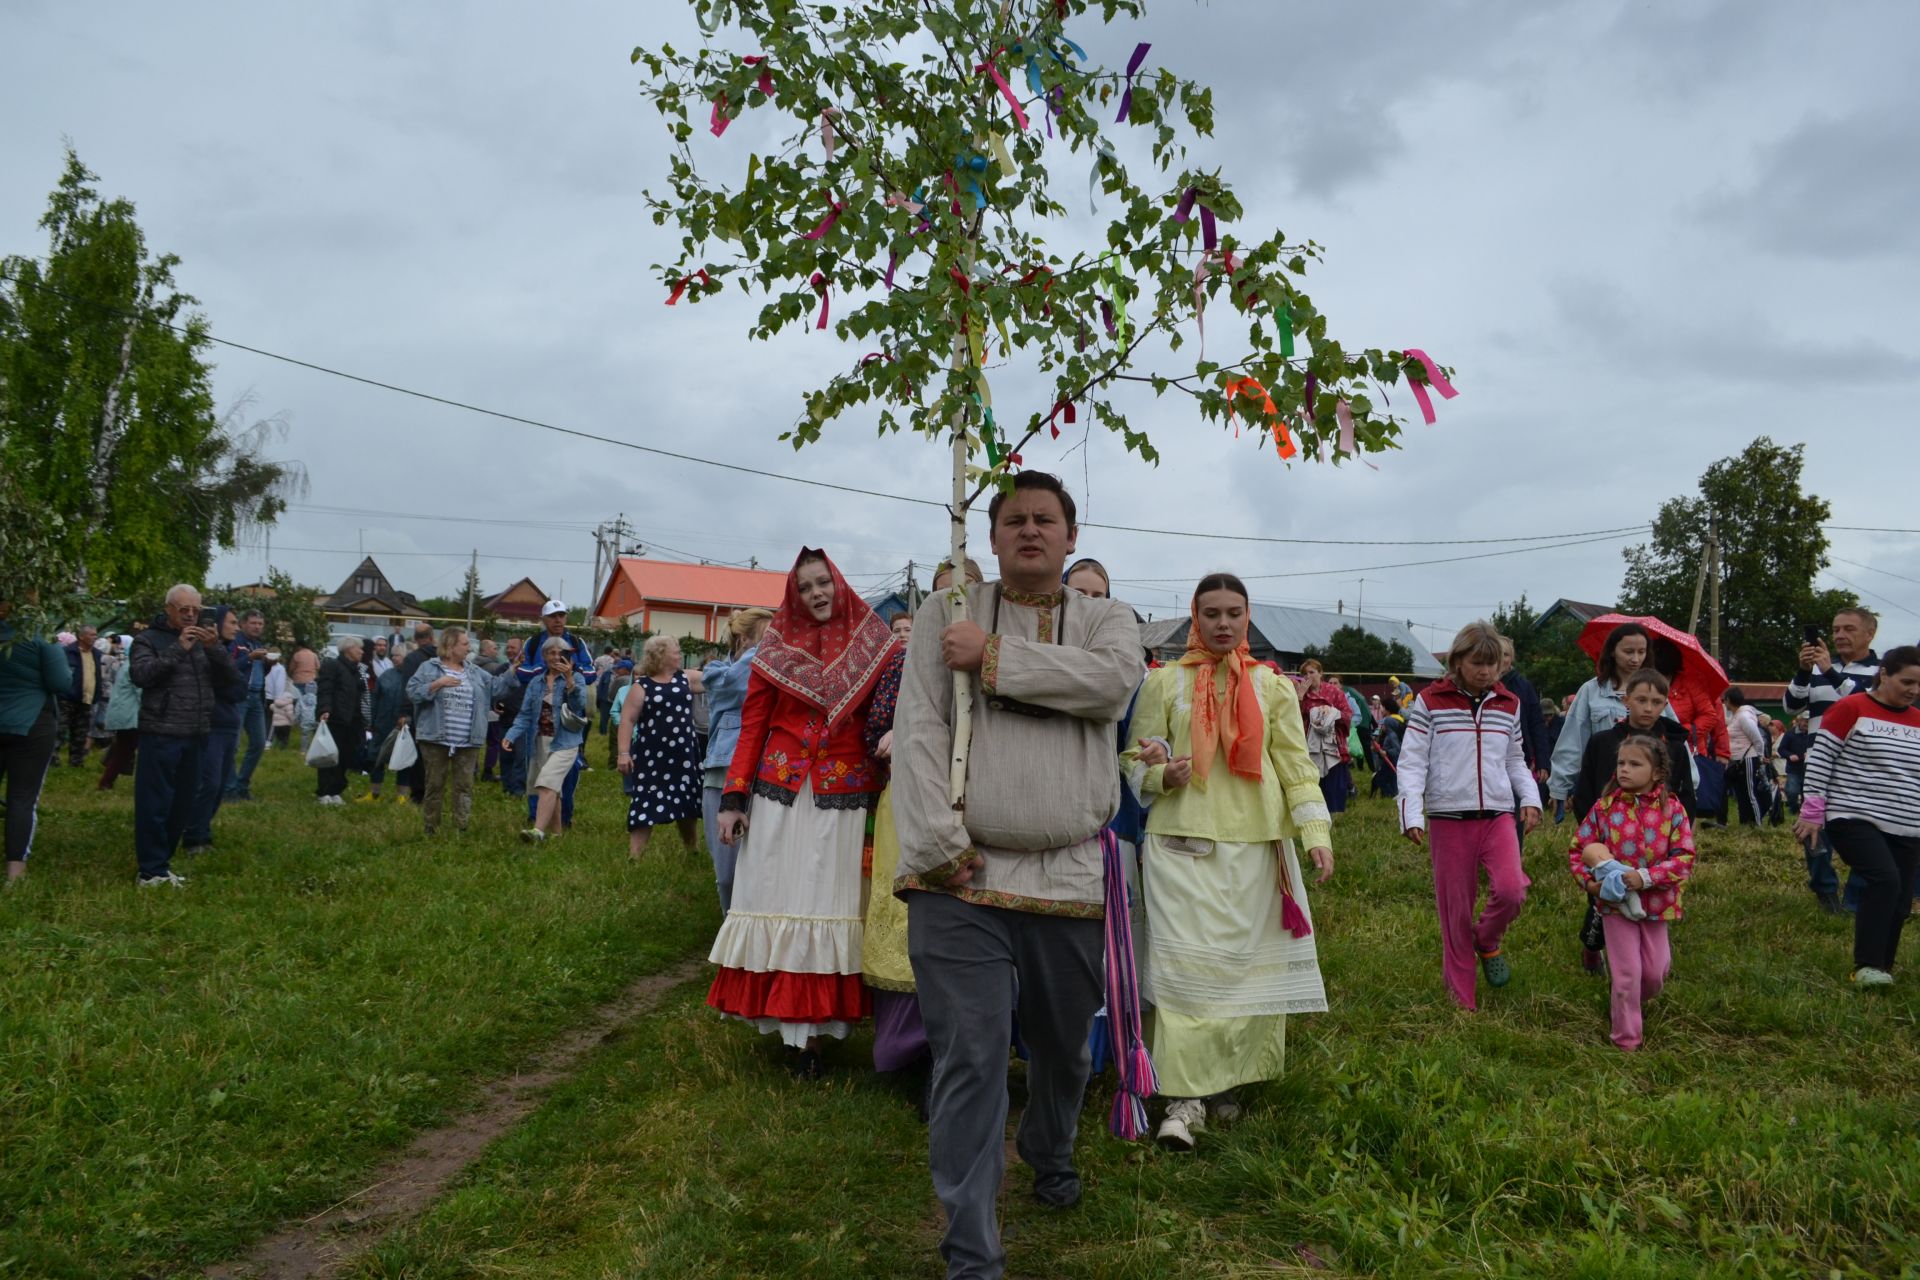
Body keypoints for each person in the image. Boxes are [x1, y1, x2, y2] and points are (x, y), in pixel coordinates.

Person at [892, 472, 1142, 1277]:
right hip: (961, 878)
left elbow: (1109, 685)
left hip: (1068, 875)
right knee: (971, 1055)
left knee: (1065, 1052)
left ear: (1071, 536)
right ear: (990, 538)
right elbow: (921, 728)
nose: (1029, 530)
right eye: (1013, 520)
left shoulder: (1106, 618)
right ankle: (972, 1248)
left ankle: (1049, 1144)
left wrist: (995, 658)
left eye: (1045, 520)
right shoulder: (948, 612)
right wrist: (935, 843)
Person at [1122, 572, 1331, 1150]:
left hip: (1258, 847)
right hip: (1178, 843)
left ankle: (1225, 1080)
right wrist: (1161, 771)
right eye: (1210, 612)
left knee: (1240, 972)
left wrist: (1315, 832)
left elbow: (1295, 764)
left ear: (1247, 617)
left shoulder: (1273, 687)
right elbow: (1132, 757)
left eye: (1233, 613)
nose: (1222, 623)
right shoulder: (1164, 683)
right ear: (1195, 616)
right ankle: (1182, 1100)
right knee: (1189, 973)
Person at [708, 549, 895, 1076]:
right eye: (806, 586)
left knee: (829, 903)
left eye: (823, 583)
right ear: (793, 593)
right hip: (779, 795)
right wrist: (733, 799)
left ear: (838, 584)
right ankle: (796, 1038)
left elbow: (889, 709)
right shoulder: (774, 649)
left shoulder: (873, 643)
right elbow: (753, 726)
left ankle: (818, 1031)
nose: (816, 593)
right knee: (781, 897)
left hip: (845, 795)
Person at [863, 561, 982, 1079]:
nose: (950, 604)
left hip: (980, 806)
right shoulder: (903, 661)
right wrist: (884, 740)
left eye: (963, 594)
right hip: (908, 806)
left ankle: (961, 1053)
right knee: (912, 917)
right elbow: (874, 725)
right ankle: (910, 1053)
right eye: (940, 595)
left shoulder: (995, 658)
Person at [1396, 621, 1542, 1009]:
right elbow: (1411, 761)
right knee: (1455, 911)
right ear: (1457, 661)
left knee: (1512, 890)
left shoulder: (1509, 703)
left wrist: (1530, 798)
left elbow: (1514, 758)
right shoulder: (1431, 701)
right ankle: (1463, 1002)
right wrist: (1412, 813)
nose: (1486, 671)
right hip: (1448, 817)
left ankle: (1487, 939)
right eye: (1477, 662)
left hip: (1498, 814)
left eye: (1493, 664)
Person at [1796, 646, 1920, 987]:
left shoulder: (1918, 719)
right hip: (1853, 815)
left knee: (1900, 899)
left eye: (1919, 685)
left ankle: (1882, 965)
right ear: (1884, 674)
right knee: (1884, 879)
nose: (1914, 690)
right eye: (1906, 681)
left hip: (1908, 823)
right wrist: (1812, 813)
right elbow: (1821, 759)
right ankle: (1865, 965)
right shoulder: (1851, 708)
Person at [1568, 735, 1695, 1050]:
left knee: (1654, 973)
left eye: (1634, 764)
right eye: (1621, 763)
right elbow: (1579, 849)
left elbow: (1684, 858)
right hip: (1614, 907)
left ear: (1656, 773)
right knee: (1627, 976)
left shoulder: (1673, 810)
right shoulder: (1604, 808)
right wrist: (1591, 884)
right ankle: (1626, 1040)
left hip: (1658, 905)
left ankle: (1632, 1001)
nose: (1624, 769)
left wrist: (1647, 878)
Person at [1570, 668, 1696, 974]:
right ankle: (1592, 947)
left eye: (1656, 701)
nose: (1648, 707)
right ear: (1626, 700)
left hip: (1657, 842)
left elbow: (1685, 792)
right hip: (1609, 836)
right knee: (1603, 903)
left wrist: (1681, 831)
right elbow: (1586, 787)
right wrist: (1594, 831)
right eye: (1641, 699)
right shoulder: (1603, 741)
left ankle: (1645, 962)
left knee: (1645, 900)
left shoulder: (1673, 745)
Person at [129, 585, 222, 888]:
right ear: (168, 608)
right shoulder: (148, 639)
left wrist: (215, 650)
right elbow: (141, 675)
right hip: (161, 732)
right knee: (154, 803)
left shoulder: (201, 643)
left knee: (181, 805)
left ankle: (161, 864)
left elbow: (230, 684)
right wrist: (177, 648)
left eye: (196, 609)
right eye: (184, 609)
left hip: (195, 733)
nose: (191, 615)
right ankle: (149, 870)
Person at [1787, 607, 1880, 909]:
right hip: (1818, 764)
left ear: (1870, 633)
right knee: (1813, 828)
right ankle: (1825, 889)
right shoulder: (1817, 670)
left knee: (1866, 833)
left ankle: (1856, 898)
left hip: (1860, 767)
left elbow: (1865, 702)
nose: (1840, 635)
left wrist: (1829, 671)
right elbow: (1790, 706)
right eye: (1836, 629)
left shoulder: (1881, 672)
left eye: (1849, 629)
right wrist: (1804, 670)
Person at [1548, 622, 1674, 815]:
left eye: (1641, 652)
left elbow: (1675, 738)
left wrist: (1692, 783)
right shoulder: (1591, 691)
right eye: (1629, 651)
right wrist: (1560, 787)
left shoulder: (1656, 691)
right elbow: (1573, 741)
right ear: (1613, 651)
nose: (1635, 658)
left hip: (1650, 792)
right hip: (1603, 787)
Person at [698, 608, 774, 910]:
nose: (775, 647)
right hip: (723, 775)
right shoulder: (719, 672)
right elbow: (742, 684)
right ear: (744, 638)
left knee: (760, 868)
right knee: (727, 873)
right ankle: (731, 938)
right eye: (769, 638)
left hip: (764, 773)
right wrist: (760, 650)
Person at [1, 600, 73, 886]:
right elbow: (61, 682)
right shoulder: (38, 632)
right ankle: (15, 873)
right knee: (21, 798)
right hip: (32, 724)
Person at [617, 635, 705, 860]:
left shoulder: (685, 678)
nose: (679, 654)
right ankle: (634, 857)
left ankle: (692, 850)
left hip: (684, 755)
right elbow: (627, 719)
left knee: (686, 803)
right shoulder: (641, 686)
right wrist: (624, 753)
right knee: (645, 803)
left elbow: (720, 681)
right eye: (675, 650)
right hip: (652, 757)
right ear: (661, 655)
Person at [408, 625, 502, 836]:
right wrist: (437, 684)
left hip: (468, 740)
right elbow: (412, 692)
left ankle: (461, 827)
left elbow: (497, 687)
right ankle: (431, 828)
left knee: (464, 786)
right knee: (434, 784)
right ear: (451, 645)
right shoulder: (429, 668)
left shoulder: (474, 671)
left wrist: (515, 670)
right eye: (465, 643)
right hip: (435, 738)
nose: (470, 647)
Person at [515, 603, 597, 828]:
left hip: (568, 717)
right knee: (537, 765)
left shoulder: (577, 643)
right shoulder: (533, 643)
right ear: (543, 619)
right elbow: (521, 671)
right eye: (553, 616)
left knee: (568, 769)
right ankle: (535, 816)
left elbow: (591, 673)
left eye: (561, 615)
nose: (558, 620)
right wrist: (547, 671)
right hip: (539, 716)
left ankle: (565, 818)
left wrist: (570, 674)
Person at [501, 635, 588, 843]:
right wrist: (511, 735)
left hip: (565, 742)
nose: (556, 657)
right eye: (551, 653)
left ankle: (538, 831)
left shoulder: (577, 678)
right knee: (553, 787)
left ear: (569, 657)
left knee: (547, 783)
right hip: (539, 741)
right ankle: (557, 835)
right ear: (544, 656)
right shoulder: (535, 682)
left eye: (561, 653)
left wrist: (569, 681)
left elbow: (578, 706)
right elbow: (525, 714)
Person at [182, 607, 249, 855]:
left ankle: (201, 828)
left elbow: (238, 689)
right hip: (211, 725)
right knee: (208, 782)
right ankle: (194, 835)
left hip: (229, 724)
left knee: (219, 784)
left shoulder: (229, 651)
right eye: (232, 622)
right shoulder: (200, 651)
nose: (236, 627)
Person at [313, 637, 370, 806]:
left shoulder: (357, 670)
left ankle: (336, 789)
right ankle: (324, 791)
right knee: (329, 756)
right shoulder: (332, 666)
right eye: (359, 648)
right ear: (348, 650)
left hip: (354, 720)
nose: (362, 651)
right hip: (336, 718)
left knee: (346, 756)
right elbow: (325, 689)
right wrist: (325, 709)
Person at [1296, 658, 1352, 817]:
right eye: (1305, 673)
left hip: (1333, 743)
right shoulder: (1301, 694)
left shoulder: (1334, 692)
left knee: (1335, 781)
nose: (1309, 676)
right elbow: (1293, 719)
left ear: (1320, 673)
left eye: (1312, 672)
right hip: (1310, 744)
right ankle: (1315, 814)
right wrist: (1299, 698)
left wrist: (1331, 713)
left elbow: (1347, 714)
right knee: (1313, 781)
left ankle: (1336, 814)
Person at [1722, 688, 1771, 827]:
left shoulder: (1744, 716)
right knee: (1741, 793)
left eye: (1725, 700)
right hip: (1738, 760)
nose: (1724, 703)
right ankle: (1744, 821)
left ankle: (1756, 822)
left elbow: (1758, 739)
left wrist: (1760, 756)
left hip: (1748, 758)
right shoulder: (1736, 716)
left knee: (1750, 792)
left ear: (1729, 700)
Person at [98, 653, 144, 790]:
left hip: (126, 713)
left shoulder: (131, 663)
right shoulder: (137, 665)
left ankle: (107, 780)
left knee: (123, 749)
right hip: (130, 715)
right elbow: (141, 691)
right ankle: (106, 782)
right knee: (125, 750)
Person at [60, 624, 103, 767]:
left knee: (81, 733)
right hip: (68, 699)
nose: (95, 637)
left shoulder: (96, 654)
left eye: (96, 634)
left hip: (87, 699)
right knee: (60, 730)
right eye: (91, 635)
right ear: (81, 636)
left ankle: (76, 761)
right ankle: (53, 760)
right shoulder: (68, 652)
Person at [287, 643, 320, 752]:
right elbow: (318, 667)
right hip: (311, 680)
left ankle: (299, 720)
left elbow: (292, 668)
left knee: (299, 703)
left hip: (298, 680)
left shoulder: (297, 655)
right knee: (310, 704)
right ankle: (310, 719)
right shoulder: (314, 655)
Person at [1780, 712, 1813, 815]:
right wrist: (1790, 755)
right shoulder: (1790, 733)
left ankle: (1803, 813)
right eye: (1805, 721)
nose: (1807, 723)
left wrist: (1810, 753)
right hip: (1794, 769)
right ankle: (1793, 809)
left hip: (1809, 769)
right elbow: (1782, 749)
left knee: (1807, 794)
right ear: (1799, 720)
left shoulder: (1813, 735)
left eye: (1809, 721)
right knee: (1792, 791)